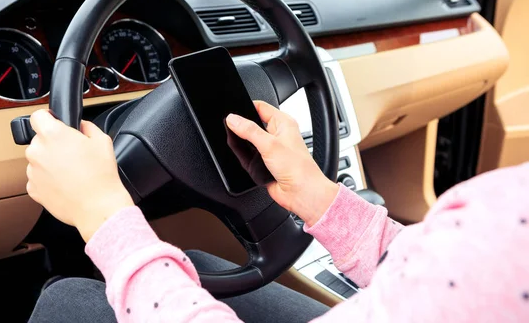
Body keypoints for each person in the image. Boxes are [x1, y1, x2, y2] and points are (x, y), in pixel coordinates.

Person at [26, 97, 529, 322]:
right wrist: (320, 197)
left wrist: (102, 211)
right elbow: (446, 276)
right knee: (196, 266)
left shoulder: (499, 227)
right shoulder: (496, 234)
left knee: (69, 303)